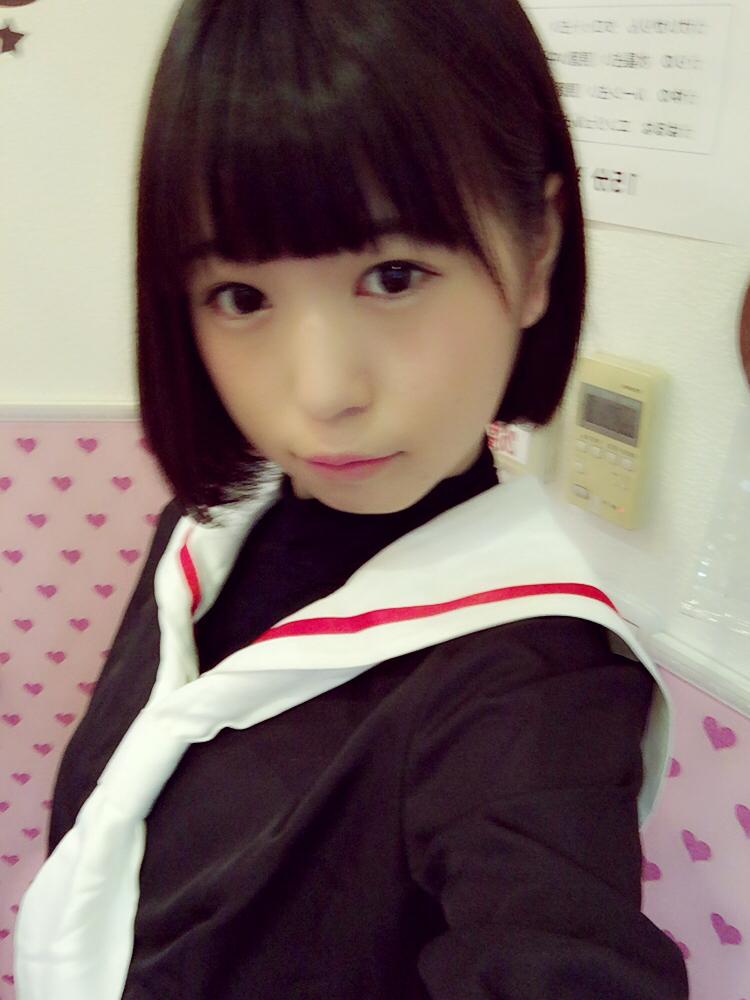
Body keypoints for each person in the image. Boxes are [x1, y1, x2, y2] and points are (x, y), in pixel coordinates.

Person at [14, 0, 689, 997]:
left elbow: (555, 943)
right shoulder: (205, 533)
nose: (325, 392)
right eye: (241, 297)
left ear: (538, 250)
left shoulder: (532, 687)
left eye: (395, 275)